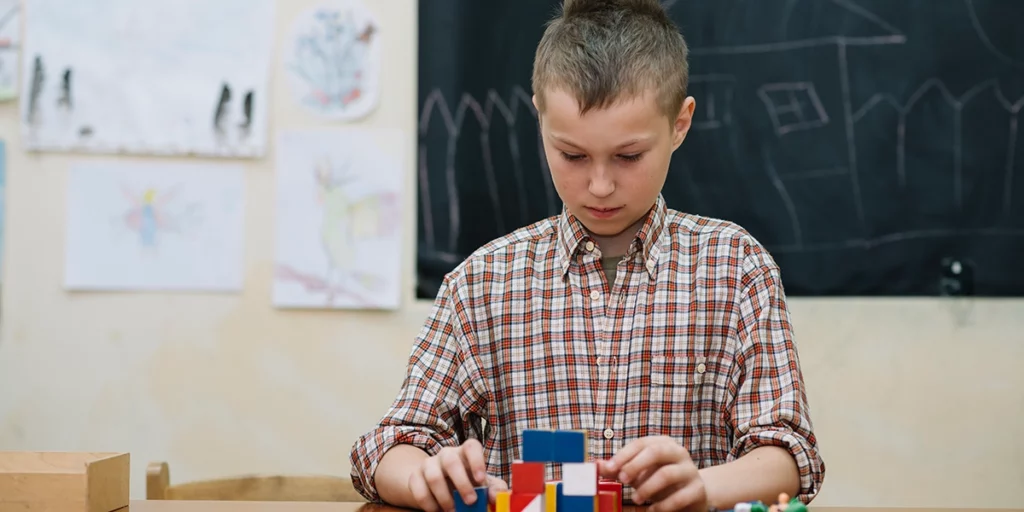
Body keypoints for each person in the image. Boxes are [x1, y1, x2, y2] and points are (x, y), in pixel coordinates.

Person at [350, 0, 826, 510]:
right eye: (572, 155)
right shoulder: (482, 284)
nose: (600, 185)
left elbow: (787, 455)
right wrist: (428, 474)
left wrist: (702, 487)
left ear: (680, 123)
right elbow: (386, 449)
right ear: (540, 119)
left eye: (628, 156)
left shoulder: (737, 269)